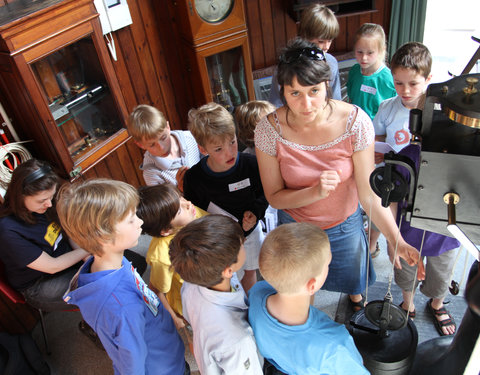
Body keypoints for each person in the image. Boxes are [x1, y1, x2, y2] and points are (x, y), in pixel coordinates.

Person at [254, 38, 424, 312]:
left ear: (327, 85)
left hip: (344, 225)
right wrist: (315, 192)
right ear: (282, 91)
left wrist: (397, 240)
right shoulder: (268, 130)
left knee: (354, 283)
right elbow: (274, 198)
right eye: (294, 93)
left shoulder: (356, 123)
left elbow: (369, 194)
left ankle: (356, 300)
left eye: (314, 91)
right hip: (297, 229)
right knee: (301, 291)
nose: (306, 103)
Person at [58, 179, 187, 375]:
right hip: (163, 368)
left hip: (163, 348)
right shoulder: (122, 307)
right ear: (104, 235)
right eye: (131, 219)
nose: (141, 222)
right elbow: (132, 365)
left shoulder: (111, 263)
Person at [374, 42, 459, 336]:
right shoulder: (406, 156)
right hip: (408, 228)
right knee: (405, 271)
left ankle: (437, 302)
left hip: (445, 233)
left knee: (441, 272)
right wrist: (393, 234)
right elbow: (392, 195)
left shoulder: (457, 160)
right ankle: (407, 303)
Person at [248, 223, 369, 374]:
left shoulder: (257, 292)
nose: (328, 267)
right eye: (328, 265)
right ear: (312, 286)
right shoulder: (335, 346)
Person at [184, 102, 268, 292]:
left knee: (250, 270)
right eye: (218, 149)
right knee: (229, 278)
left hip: (251, 231)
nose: (230, 152)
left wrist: (255, 213)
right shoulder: (195, 178)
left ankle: (250, 303)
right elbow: (195, 214)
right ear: (203, 150)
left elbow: (264, 194)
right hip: (221, 238)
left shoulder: (251, 164)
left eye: (232, 141)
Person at [169, 215, 263, 374]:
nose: (244, 242)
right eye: (241, 245)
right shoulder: (238, 340)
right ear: (228, 270)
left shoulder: (192, 282)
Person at [0, 159, 88, 312]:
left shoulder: (45, 205)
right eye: (42, 200)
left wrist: (86, 255)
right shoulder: (8, 230)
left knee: (130, 264)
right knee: (104, 285)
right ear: (20, 196)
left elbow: (67, 232)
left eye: (51, 197)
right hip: (40, 282)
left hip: (65, 256)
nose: (49, 204)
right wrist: (89, 250)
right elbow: (52, 266)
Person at [136, 183, 208, 329]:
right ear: (166, 230)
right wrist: (174, 318)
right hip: (190, 307)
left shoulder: (193, 212)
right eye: (179, 209)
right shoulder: (161, 255)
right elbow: (156, 290)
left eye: (181, 197)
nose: (188, 203)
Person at [269, 3, 342, 106]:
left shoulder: (332, 63)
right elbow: (275, 104)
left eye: (330, 41)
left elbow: (336, 101)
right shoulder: (286, 65)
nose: (326, 47)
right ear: (306, 36)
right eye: (321, 41)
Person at [127, 104, 201, 189]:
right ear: (140, 145)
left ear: (168, 127)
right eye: (152, 145)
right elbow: (168, 202)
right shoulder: (151, 173)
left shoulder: (191, 137)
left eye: (163, 137)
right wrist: (180, 189)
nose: (161, 148)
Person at [347, 23, 397, 120]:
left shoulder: (389, 79)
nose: (364, 58)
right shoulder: (354, 71)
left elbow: (393, 111)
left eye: (370, 53)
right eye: (359, 52)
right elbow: (351, 100)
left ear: (381, 50)